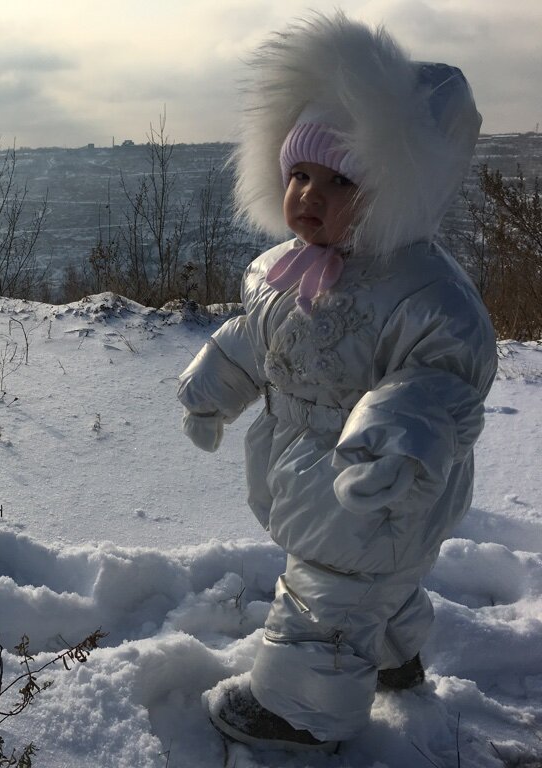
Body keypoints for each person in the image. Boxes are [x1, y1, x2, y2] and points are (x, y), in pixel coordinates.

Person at [177, 12, 497, 752]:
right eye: (299, 174)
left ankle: (301, 713)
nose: (308, 195)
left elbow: (442, 379)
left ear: (391, 189)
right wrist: (211, 389)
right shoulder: (284, 272)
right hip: (312, 474)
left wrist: (393, 442)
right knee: (374, 588)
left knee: (325, 595)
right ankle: (394, 657)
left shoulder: (424, 292)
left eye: (339, 179)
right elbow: (256, 341)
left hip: (379, 482)